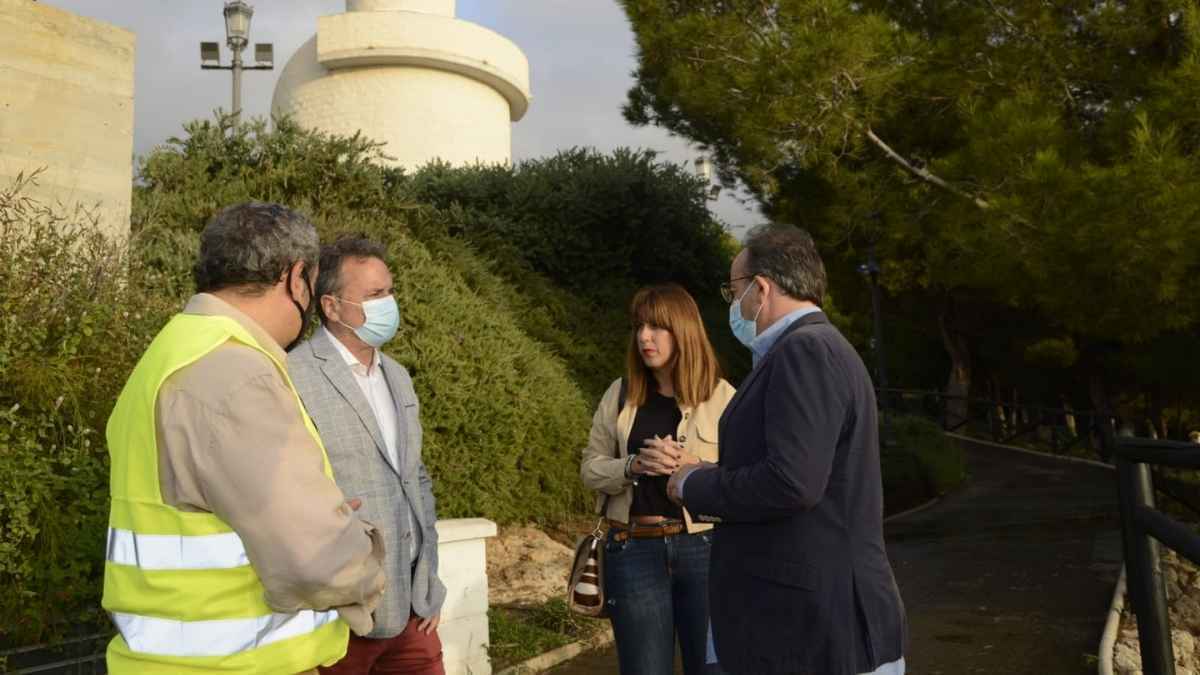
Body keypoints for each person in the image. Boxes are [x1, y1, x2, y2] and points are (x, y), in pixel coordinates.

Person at [103, 202, 386, 674]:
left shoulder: (174, 349)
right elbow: (315, 559)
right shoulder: (236, 372)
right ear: (295, 278)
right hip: (240, 665)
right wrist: (360, 554)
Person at [668, 225, 907, 675]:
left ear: (760, 288)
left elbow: (792, 482)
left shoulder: (804, 351)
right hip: (812, 621)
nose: (734, 305)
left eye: (733, 291)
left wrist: (694, 483)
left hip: (809, 626)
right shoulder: (819, 347)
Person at [289, 236, 447, 674]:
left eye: (390, 291)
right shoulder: (293, 374)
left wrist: (430, 578)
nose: (388, 304)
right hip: (339, 615)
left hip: (413, 610)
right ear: (332, 306)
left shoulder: (397, 375)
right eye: (375, 295)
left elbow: (415, 477)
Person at [580, 283, 736, 675]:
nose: (644, 337)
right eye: (639, 326)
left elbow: (745, 477)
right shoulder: (620, 393)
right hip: (633, 549)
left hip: (706, 549)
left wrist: (693, 465)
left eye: (657, 327)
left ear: (683, 330)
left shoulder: (722, 396)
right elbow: (589, 469)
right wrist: (632, 465)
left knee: (715, 669)